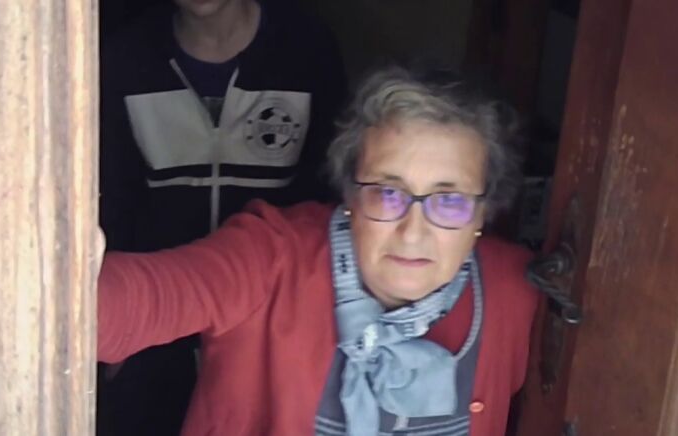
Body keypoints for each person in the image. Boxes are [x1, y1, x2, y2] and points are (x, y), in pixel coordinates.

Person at [98, 64, 538, 436]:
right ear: (349, 196)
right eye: (387, 193)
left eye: (449, 200)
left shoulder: (517, 295)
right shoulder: (268, 257)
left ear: (483, 214)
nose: (412, 232)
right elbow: (138, 300)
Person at [97, 0, 347, 434]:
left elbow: (328, 192)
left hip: (268, 320)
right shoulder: (125, 56)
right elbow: (111, 196)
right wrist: (117, 320)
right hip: (159, 307)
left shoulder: (306, 47)